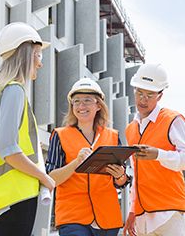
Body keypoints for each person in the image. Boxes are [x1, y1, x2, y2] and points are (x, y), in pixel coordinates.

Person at [0, 22, 55, 236]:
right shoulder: (14, 90)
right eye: (38, 55)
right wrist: (45, 178)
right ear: (25, 55)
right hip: (15, 196)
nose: (40, 63)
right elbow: (8, 150)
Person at [46, 78, 131, 236]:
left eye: (87, 100)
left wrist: (120, 176)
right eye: (76, 101)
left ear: (98, 105)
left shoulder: (113, 136)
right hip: (73, 218)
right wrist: (76, 163)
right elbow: (51, 178)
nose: (81, 106)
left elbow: (121, 182)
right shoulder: (59, 135)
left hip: (108, 219)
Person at [123, 63, 185, 236]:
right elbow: (136, 175)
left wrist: (158, 155)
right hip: (143, 217)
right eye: (139, 93)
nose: (143, 99)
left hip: (170, 213)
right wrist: (132, 210)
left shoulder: (173, 120)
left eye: (150, 95)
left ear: (160, 95)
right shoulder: (130, 129)